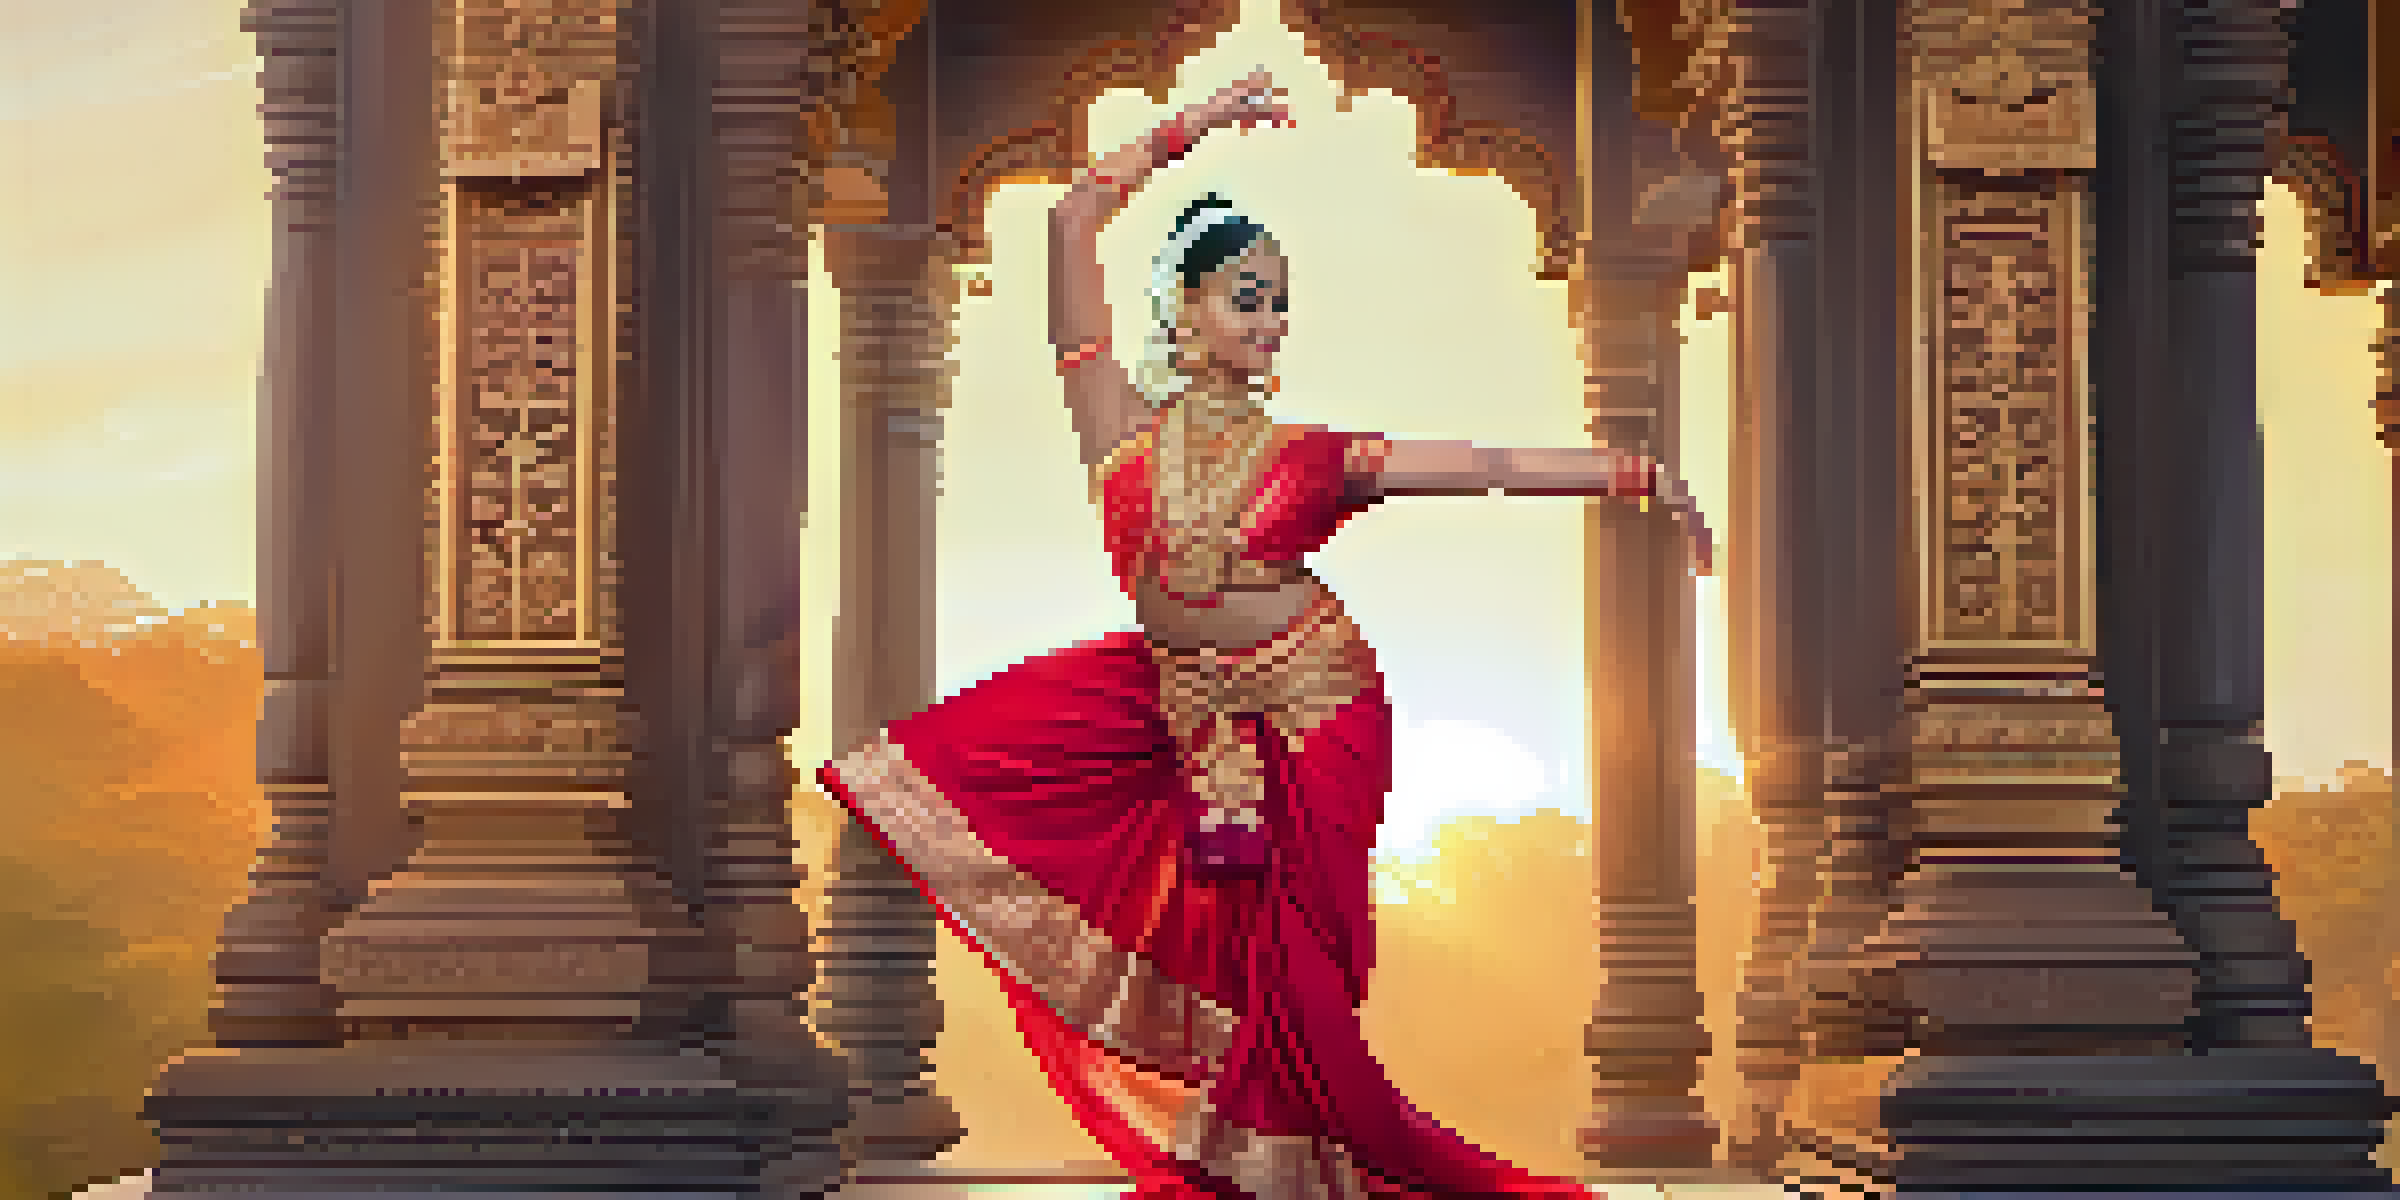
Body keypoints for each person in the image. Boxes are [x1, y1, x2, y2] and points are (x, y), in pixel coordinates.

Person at [817, 68, 1712, 1200]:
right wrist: (1191, 127)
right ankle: (1254, 1159)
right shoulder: (1116, 424)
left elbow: (1483, 468)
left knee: (1291, 956)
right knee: (1006, 777)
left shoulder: (1316, 456)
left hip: (1316, 707)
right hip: (1180, 701)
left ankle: (1318, 1163)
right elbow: (1073, 215)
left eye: (1281, 302)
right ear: (1185, 308)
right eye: (1248, 296)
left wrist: (1637, 476)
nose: (1271, 321)